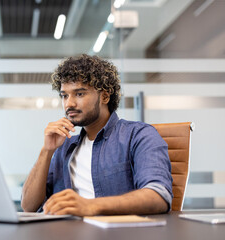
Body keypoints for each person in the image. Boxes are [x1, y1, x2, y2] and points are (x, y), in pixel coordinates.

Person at [21, 54, 173, 217]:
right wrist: (46, 150)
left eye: (79, 94)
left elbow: (158, 196)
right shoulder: (64, 146)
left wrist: (90, 206)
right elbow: (28, 206)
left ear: (105, 96)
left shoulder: (138, 135)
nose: (69, 104)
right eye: (64, 95)